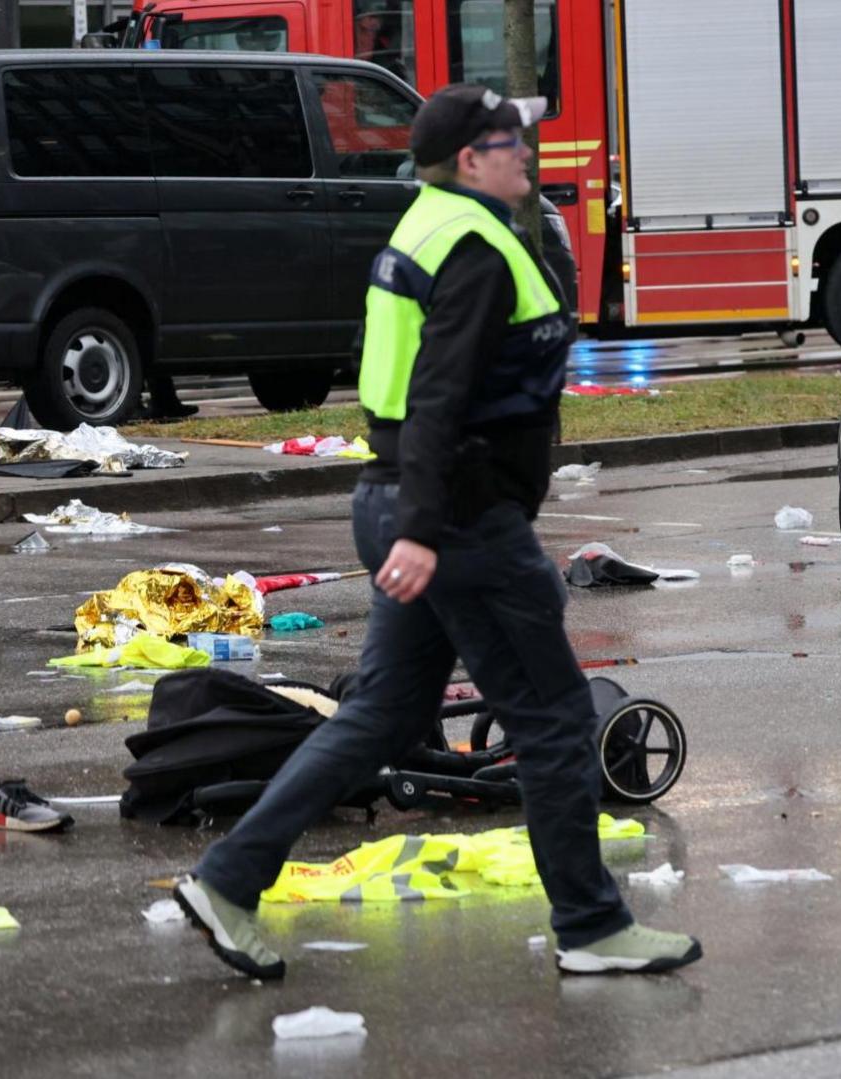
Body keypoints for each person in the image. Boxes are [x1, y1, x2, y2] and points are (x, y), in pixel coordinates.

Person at [171, 84, 702, 980]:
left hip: (407, 507)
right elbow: (437, 398)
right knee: (556, 716)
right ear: (470, 159)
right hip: (457, 521)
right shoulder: (474, 250)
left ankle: (226, 879)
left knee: (387, 711)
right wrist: (424, 530)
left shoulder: (429, 226)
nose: (527, 155)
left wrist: (410, 523)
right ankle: (591, 925)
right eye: (510, 143)